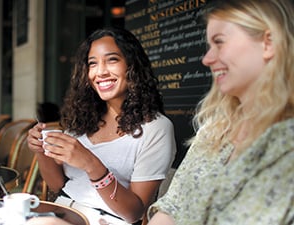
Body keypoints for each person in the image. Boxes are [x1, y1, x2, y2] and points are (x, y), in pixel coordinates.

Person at [147, 1, 294, 225]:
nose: (207, 59)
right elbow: (171, 208)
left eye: (219, 42)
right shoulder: (214, 127)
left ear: (269, 43)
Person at [27, 27, 176, 225]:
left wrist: (91, 164)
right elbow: (59, 185)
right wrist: (41, 151)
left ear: (132, 66)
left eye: (112, 60)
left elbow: (133, 212)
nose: (101, 72)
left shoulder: (156, 128)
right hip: (62, 210)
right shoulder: (84, 119)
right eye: (92, 63)